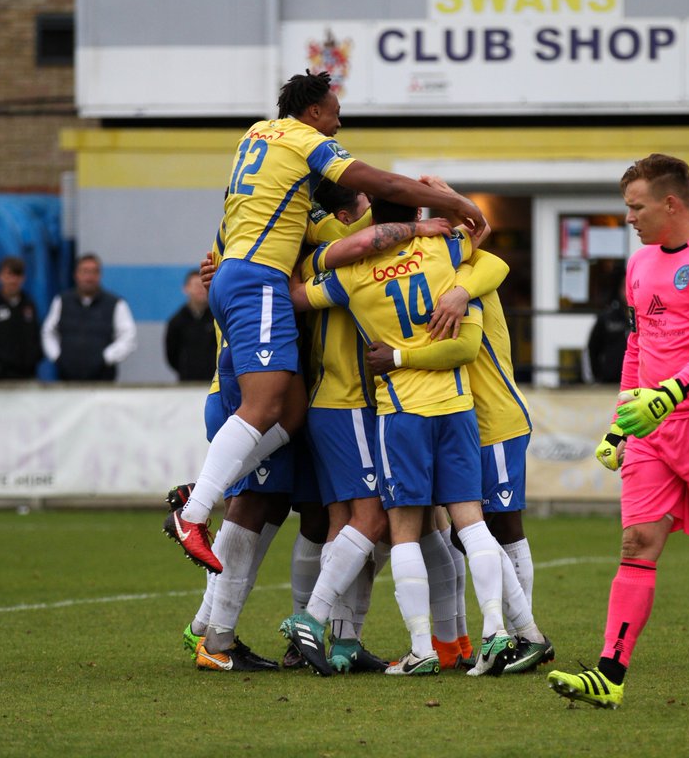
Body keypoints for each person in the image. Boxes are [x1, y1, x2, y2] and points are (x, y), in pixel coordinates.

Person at [164, 70, 489, 575]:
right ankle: (195, 511)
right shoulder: (302, 139)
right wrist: (453, 206)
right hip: (259, 283)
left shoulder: (256, 136)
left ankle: (200, 498)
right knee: (268, 409)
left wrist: (220, 262)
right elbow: (376, 186)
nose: (338, 123)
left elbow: (268, 219)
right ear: (313, 110)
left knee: (287, 414)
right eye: (335, 112)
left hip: (242, 276)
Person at [547, 154, 689, 708]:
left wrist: (671, 394)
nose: (629, 218)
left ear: (671, 203)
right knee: (637, 542)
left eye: (635, 207)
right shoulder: (639, 264)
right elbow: (638, 346)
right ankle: (609, 673)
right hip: (650, 427)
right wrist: (621, 421)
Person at [289, 196, 515, 678]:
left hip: (401, 411)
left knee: (404, 530)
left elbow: (296, 295)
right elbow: (490, 253)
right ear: (416, 217)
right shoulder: (443, 251)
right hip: (456, 407)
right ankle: (496, 630)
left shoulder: (351, 278)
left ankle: (421, 648)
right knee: (470, 524)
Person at [41, 253, 137, 381]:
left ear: (100, 275)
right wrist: (57, 356)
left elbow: (128, 337)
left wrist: (106, 358)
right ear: (76, 275)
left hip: (103, 380)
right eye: (85, 271)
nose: (89, 277)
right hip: (67, 382)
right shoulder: (61, 301)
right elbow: (48, 332)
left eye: (94, 272)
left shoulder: (116, 304)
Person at [164, 268, 216, 382]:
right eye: (196, 285)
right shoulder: (177, 321)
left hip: (215, 381)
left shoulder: (217, 317)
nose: (200, 289)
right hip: (187, 382)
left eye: (203, 285)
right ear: (186, 289)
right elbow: (171, 354)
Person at [586, 272, 629, 385]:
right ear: (619, 289)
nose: (628, 291)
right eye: (625, 286)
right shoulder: (606, 318)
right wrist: (598, 376)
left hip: (637, 384)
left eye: (631, 286)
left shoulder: (645, 318)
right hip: (609, 383)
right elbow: (593, 347)